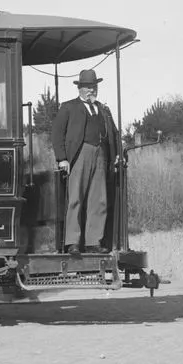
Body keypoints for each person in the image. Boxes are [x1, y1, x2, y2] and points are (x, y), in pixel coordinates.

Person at [51, 69, 120, 255]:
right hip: (79, 155)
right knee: (75, 198)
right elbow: (57, 134)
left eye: (94, 86)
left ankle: (93, 242)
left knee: (99, 200)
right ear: (80, 88)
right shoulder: (68, 107)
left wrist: (117, 154)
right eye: (88, 87)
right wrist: (62, 158)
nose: (92, 90)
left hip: (100, 155)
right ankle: (72, 242)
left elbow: (114, 133)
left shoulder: (103, 110)